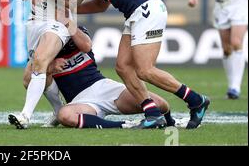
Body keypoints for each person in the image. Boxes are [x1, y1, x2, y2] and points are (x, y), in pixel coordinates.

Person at [64, 0, 210, 129]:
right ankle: (153, 113)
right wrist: (70, 12)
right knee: (123, 67)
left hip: (145, 10)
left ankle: (196, 100)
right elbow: (100, 6)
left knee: (145, 70)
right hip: (137, 12)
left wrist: (57, 0)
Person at [22, 24, 176, 129]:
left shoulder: (75, 30)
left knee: (160, 104)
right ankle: (125, 124)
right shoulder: (42, 45)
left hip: (103, 87)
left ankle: (169, 121)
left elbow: (87, 45)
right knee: (65, 116)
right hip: (81, 101)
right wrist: (50, 67)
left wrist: (67, 21)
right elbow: (28, 78)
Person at [7, 0, 83, 129]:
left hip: (58, 19)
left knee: (40, 60)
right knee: (28, 78)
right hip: (35, 20)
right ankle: (60, 111)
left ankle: (25, 116)